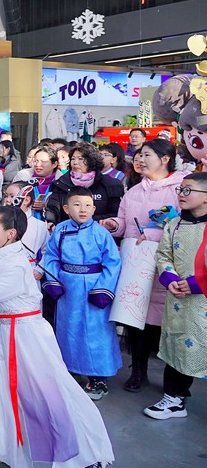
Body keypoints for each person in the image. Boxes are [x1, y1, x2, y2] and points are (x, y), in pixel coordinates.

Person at [0, 207, 114, 468]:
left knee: (44, 393)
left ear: (11, 233)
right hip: (3, 332)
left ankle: (81, 453)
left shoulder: (15, 264)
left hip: (25, 336)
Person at [100, 138, 189, 393]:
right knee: (135, 317)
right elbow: (124, 221)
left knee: (162, 320)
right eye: (138, 155)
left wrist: (152, 234)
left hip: (166, 264)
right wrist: (114, 225)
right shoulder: (134, 191)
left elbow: (184, 225)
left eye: (146, 155)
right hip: (135, 264)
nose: (140, 159)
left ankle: (173, 380)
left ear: (165, 159)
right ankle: (138, 370)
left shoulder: (180, 188)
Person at [44, 187, 123, 400]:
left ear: (94, 209)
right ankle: (70, 370)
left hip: (93, 288)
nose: (83, 209)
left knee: (95, 333)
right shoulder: (60, 230)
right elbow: (51, 256)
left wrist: (103, 289)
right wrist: (53, 281)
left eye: (88, 205)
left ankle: (98, 378)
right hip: (68, 288)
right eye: (77, 205)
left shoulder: (101, 233)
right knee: (68, 329)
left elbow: (113, 262)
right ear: (66, 208)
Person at [143, 172, 207, 419]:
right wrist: (170, 278)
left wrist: (197, 284)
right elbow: (164, 255)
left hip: (201, 298)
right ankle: (174, 399)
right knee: (179, 345)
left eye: (188, 190)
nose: (181, 194)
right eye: (180, 189)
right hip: (179, 300)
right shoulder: (174, 224)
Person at [44, 142, 123, 226]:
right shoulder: (61, 183)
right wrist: (51, 222)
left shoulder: (109, 184)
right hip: (67, 230)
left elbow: (115, 213)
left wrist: (89, 222)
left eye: (81, 159)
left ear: (91, 160)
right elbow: (52, 209)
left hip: (98, 230)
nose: (75, 162)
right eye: (73, 159)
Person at [28, 146, 60, 221]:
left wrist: (46, 206)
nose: (38, 164)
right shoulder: (25, 179)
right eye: (36, 161)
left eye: (43, 161)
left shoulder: (61, 183)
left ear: (54, 164)